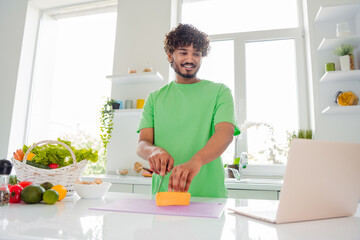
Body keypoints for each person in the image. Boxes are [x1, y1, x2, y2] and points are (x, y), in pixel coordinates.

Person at [136, 23, 240, 198]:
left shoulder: (219, 92)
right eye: (183, 52)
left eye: (196, 53)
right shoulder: (155, 98)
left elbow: (225, 134)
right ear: (170, 55)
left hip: (209, 196)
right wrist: (153, 151)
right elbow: (142, 143)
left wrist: (196, 162)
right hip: (164, 195)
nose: (190, 59)